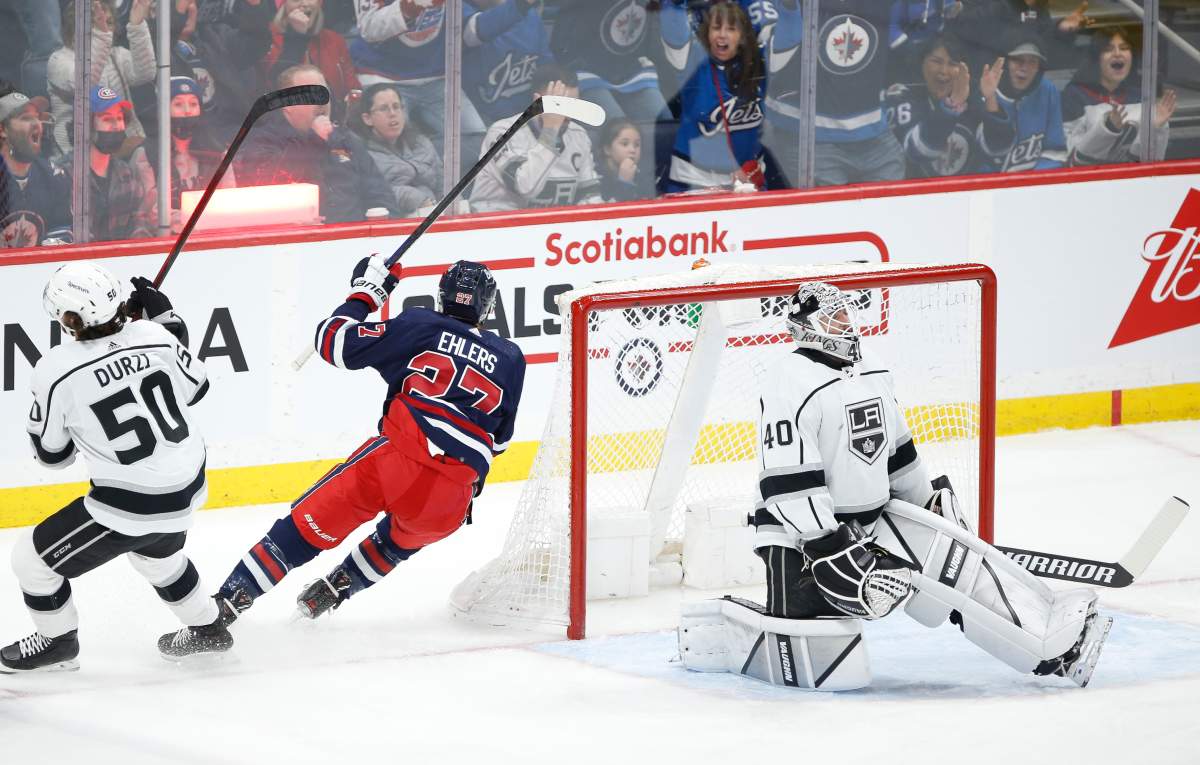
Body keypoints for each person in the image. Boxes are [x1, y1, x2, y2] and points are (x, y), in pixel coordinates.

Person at [736, 282, 1112, 687]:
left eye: (847, 313)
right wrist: (824, 543)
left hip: (876, 521)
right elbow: (786, 479)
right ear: (807, 326)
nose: (846, 323)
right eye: (834, 316)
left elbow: (896, 451)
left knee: (960, 573)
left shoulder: (872, 369)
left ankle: (1052, 653)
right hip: (799, 539)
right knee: (815, 658)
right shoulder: (788, 380)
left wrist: (925, 503)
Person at [199, 258, 525, 636]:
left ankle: (220, 614)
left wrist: (366, 295)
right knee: (394, 543)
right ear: (487, 306)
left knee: (296, 536)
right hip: (452, 496)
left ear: (442, 295)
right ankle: (335, 589)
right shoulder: (511, 357)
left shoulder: (421, 324)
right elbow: (499, 442)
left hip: (395, 462)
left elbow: (333, 342)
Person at [0, 263, 231, 671]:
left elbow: (53, 457)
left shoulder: (56, 369)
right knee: (157, 558)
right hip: (188, 487)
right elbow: (196, 387)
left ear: (69, 319)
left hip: (131, 503)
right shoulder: (154, 335)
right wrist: (168, 321)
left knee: (31, 562)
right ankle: (209, 629)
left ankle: (58, 643)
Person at [236, 65, 398, 223]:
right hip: (301, 241)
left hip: (355, 238)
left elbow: (381, 195)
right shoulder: (263, 141)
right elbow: (272, 186)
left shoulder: (345, 139)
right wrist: (315, 140)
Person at [349, 0, 488, 161]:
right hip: (381, 76)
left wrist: (516, 8)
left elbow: (468, 25)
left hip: (434, 77)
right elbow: (370, 27)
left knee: (479, 143)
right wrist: (412, 5)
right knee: (392, 152)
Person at [660, 0, 766, 193]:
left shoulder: (759, 63)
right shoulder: (693, 62)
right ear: (707, 34)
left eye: (731, 29)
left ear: (742, 36)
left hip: (747, 179)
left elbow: (788, 36)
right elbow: (673, 27)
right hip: (694, 181)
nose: (722, 35)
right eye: (716, 28)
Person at [469, 65, 603, 212]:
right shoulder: (502, 133)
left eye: (573, 104)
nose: (567, 114)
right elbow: (525, 187)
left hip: (554, 228)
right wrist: (550, 130)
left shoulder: (578, 135)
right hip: (495, 227)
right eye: (560, 104)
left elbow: (590, 197)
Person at [885, 35, 1012, 178]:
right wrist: (952, 105)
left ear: (963, 70)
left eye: (952, 64)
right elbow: (917, 152)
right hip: (915, 196)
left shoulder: (974, 97)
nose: (944, 71)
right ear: (922, 62)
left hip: (966, 195)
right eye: (936, 61)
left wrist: (990, 98)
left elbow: (999, 150)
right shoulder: (901, 95)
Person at [47, 0, 157, 159]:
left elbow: (146, 74)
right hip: (77, 161)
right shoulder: (58, 60)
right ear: (75, 25)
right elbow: (84, 83)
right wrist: (102, 36)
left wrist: (137, 25)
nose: (104, 27)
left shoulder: (117, 55)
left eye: (109, 22)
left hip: (124, 149)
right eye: (96, 21)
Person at [1062, 26, 1176, 167]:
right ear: (1097, 59)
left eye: (1124, 48)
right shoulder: (1075, 95)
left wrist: (1155, 129)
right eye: (1108, 49)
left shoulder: (1141, 95)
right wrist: (1108, 128)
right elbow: (1074, 162)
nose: (1118, 54)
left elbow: (1149, 165)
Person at [64, 85, 158, 241]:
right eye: (107, 119)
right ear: (85, 126)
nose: (116, 125)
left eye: (120, 118)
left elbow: (138, 224)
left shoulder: (127, 174)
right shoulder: (65, 175)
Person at [148, 76, 235, 229]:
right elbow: (152, 212)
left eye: (193, 104)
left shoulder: (217, 152)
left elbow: (229, 199)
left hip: (212, 234)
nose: (188, 111)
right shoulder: (148, 154)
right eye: (178, 104)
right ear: (163, 110)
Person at [351, 83, 442, 219]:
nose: (392, 114)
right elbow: (370, 193)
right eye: (384, 109)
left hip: (436, 215)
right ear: (367, 118)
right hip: (394, 223)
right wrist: (414, 198)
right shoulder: (360, 152)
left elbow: (444, 182)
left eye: (396, 107)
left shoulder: (422, 143)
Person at [978, 34, 1066, 173]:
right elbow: (991, 151)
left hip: (1034, 185)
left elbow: (1055, 151)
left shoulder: (1047, 90)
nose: (1024, 67)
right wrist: (990, 99)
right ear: (1006, 62)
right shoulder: (986, 89)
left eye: (1032, 62)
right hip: (991, 187)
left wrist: (1032, 183)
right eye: (1018, 60)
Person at [262, 0, 360, 122]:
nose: (304, 3)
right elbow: (276, 86)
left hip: (333, 122)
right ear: (283, 5)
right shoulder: (266, 36)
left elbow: (353, 86)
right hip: (284, 124)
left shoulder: (334, 40)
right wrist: (297, 36)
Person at [0, 90, 71, 247]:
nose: (36, 123)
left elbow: (63, 227)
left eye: (37, 117)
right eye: (25, 118)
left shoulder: (54, 175)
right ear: (3, 130)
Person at [595, 117, 655, 202]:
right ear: (607, 149)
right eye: (625, 144)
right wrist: (624, 182)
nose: (632, 150)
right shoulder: (597, 179)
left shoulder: (640, 175)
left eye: (637, 145)